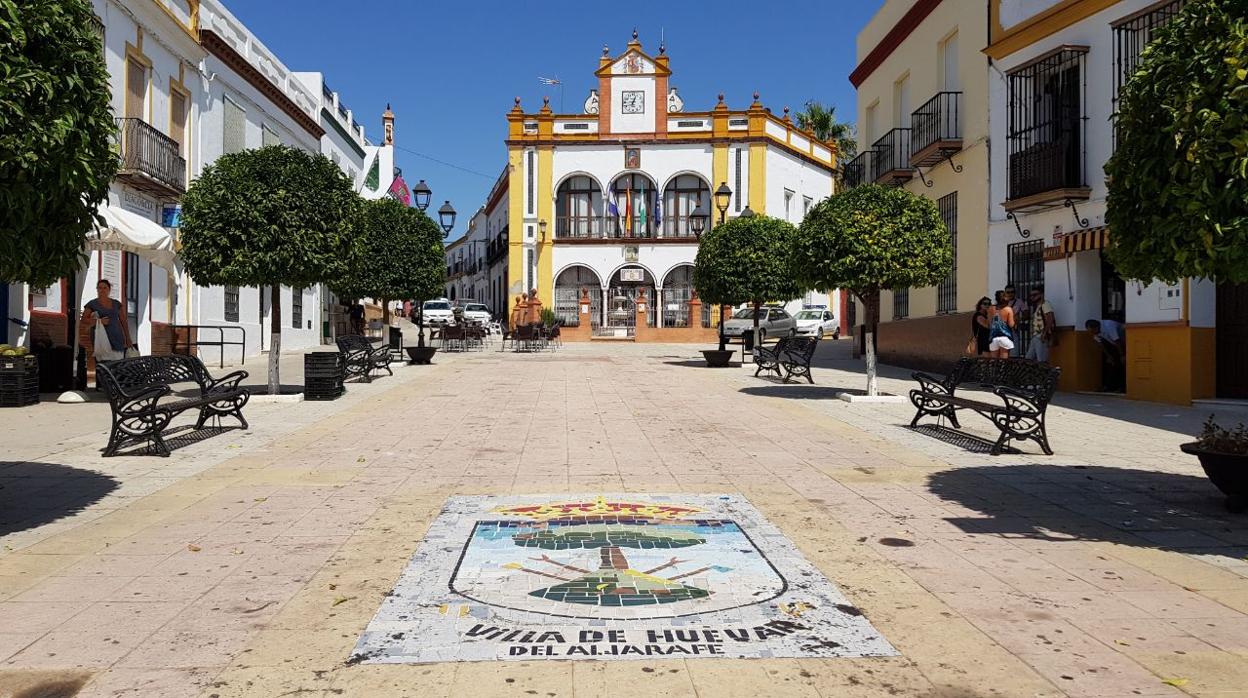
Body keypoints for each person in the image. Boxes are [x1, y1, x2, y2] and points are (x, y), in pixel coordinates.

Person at [82, 279, 133, 363]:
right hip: (100, 340)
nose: (102, 290)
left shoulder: (116, 304)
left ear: (109, 290)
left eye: (105, 288)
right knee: (103, 367)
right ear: (97, 289)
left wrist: (128, 338)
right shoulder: (92, 304)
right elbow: (84, 319)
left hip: (117, 339)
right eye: (100, 288)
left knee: (117, 366)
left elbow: (123, 321)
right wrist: (99, 321)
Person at [1086, 318, 1126, 392]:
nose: (1092, 334)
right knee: (1110, 364)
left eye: (1092, 331)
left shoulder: (1109, 326)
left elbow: (1117, 341)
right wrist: (1109, 356)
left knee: (1121, 365)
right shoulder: (1096, 333)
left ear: (1096, 327)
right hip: (1112, 344)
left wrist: (1122, 355)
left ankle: (1122, 387)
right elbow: (1101, 345)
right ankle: (1109, 386)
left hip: (1123, 342)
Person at [1025, 285, 1056, 363]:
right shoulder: (1038, 306)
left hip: (1041, 336)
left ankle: (1044, 375)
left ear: (1041, 295)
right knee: (1028, 359)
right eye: (1031, 295)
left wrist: (1044, 333)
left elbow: (1050, 319)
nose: (1032, 297)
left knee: (1041, 361)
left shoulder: (1045, 304)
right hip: (1035, 336)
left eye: (1035, 295)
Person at [988, 290, 1016, 359]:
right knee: (1003, 362)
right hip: (1005, 337)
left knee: (994, 362)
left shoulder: (991, 308)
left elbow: (989, 323)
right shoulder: (1008, 309)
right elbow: (1011, 324)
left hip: (993, 337)